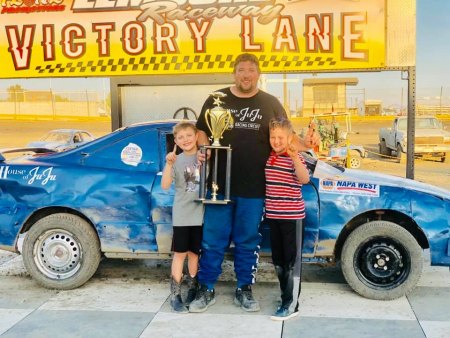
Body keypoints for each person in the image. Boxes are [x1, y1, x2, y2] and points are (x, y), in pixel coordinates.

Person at [189, 53, 319, 313]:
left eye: (250, 70)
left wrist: (309, 145)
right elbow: (201, 130)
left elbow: (287, 136)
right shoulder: (217, 98)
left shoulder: (270, 102)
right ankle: (206, 287)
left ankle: (244, 288)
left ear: (258, 74)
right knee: (213, 239)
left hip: (256, 187)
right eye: (240, 70)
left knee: (248, 239)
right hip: (218, 184)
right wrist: (204, 147)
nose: (245, 75)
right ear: (234, 73)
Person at [265, 117, 310, 320]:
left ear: (290, 138)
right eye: (273, 137)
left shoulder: (295, 157)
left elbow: (304, 179)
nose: (276, 141)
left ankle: (292, 305)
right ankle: (285, 296)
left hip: (292, 217)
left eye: (281, 137)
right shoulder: (270, 157)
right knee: (279, 261)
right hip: (274, 216)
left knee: (291, 262)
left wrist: (294, 157)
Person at [161, 121, 203, 313]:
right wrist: (169, 164)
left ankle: (192, 289)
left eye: (188, 135)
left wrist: (205, 159)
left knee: (195, 253)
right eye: (180, 137)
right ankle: (175, 294)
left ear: (196, 136)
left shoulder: (204, 155)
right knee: (180, 253)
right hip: (182, 214)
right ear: (175, 140)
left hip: (200, 214)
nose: (185, 139)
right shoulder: (175, 160)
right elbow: (165, 185)